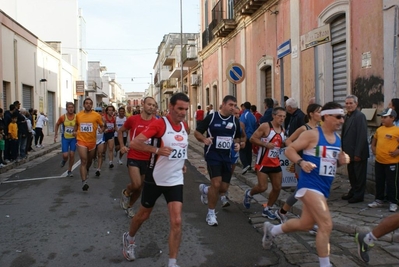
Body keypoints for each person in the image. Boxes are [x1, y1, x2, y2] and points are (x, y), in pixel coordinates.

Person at [262, 102, 349, 267]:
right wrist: (301, 163)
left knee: (306, 224)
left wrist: (342, 161)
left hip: (323, 187)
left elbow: (331, 164)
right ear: (326, 116)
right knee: (326, 224)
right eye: (338, 117)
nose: (341, 120)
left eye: (342, 117)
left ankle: (272, 230)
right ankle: (325, 264)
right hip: (309, 184)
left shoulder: (337, 139)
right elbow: (289, 150)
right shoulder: (312, 135)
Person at [122, 93, 189, 267]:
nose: (183, 113)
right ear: (171, 107)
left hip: (175, 179)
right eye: (180, 108)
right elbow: (135, 143)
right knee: (143, 215)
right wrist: (156, 151)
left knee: (176, 221)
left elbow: (180, 147)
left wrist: (181, 163)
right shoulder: (160, 124)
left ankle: (172, 263)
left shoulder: (184, 126)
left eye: (186, 109)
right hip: (156, 178)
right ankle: (129, 239)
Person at [195, 96, 242, 225]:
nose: (233, 108)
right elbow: (197, 132)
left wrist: (238, 144)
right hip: (213, 155)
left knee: (223, 188)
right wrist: (204, 140)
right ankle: (211, 213)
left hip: (227, 157)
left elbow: (238, 137)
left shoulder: (235, 120)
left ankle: (205, 190)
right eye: (231, 105)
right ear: (223, 104)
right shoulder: (212, 117)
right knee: (216, 184)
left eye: (235, 105)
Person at [275, 104, 322, 227]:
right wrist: (296, 153)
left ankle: (283, 212)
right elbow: (288, 140)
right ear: (311, 114)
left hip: (316, 164)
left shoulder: (320, 128)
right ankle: (311, 221)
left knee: (306, 191)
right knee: (304, 190)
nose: (321, 114)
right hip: (302, 163)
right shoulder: (304, 128)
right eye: (319, 112)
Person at [243, 107, 286, 219]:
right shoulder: (266, 126)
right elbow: (252, 138)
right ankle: (249, 194)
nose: (282, 118)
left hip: (275, 162)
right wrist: (265, 145)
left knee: (277, 187)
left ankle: (268, 208)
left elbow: (280, 144)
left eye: (284, 116)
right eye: (280, 116)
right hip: (263, 162)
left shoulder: (283, 130)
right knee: (262, 187)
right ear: (273, 116)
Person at [119, 97, 156, 218]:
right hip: (134, 155)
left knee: (140, 187)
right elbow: (121, 131)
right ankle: (126, 192)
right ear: (143, 104)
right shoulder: (133, 119)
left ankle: (129, 206)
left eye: (153, 105)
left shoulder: (157, 122)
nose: (151, 107)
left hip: (148, 158)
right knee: (136, 184)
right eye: (149, 104)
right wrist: (122, 146)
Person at [368, 108, 399, 212]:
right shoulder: (379, 129)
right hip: (379, 161)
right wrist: (373, 147)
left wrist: (397, 151)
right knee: (379, 181)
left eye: (385, 117)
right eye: (382, 117)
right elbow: (374, 140)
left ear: (392, 118)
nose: (382, 119)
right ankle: (379, 200)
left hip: (392, 162)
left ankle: (393, 202)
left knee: (392, 183)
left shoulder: (397, 130)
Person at [341, 95, 369, 203]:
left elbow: (362, 136)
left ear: (356, 104)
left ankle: (359, 195)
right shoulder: (346, 116)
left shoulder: (360, 116)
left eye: (351, 103)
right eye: (347, 103)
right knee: (352, 174)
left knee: (359, 176)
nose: (348, 105)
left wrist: (358, 153)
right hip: (349, 153)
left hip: (358, 153)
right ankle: (353, 191)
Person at [74, 98, 104, 191]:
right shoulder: (78, 115)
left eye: (90, 103)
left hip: (92, 142)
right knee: (83, 160)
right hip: (81, 141)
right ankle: (84, 182)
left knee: (89, 161)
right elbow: (76, 126)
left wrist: (101, 130)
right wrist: (75, 132)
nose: (88, 105)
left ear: (92, 105)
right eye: (86, 103)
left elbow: (102, 126)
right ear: (83, 104)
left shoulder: (96, 115)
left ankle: (86, 170)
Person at [54, 102, 77, 177]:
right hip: (65, 138)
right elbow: (57, 124)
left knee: (72, 155)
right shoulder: (63, 117)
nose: (71, 109)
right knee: (65, 155)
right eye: (69, 107)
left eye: (72, 107)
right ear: (66, 108)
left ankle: (69, 170)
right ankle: (64, 160)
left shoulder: (77, 117)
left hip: (73, 139)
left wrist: (76, 132)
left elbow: (79, 126)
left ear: (74, 108)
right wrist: (56, 134)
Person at [239, 101, 257, 174]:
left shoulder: (244, 115)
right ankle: (249, 166)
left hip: (245, 136)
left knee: (242, 151)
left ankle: (245, 165)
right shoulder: (253, 116)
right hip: (251, 136)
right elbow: (255, 126)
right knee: (249, 151)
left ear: (244, 107)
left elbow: (242, 125)